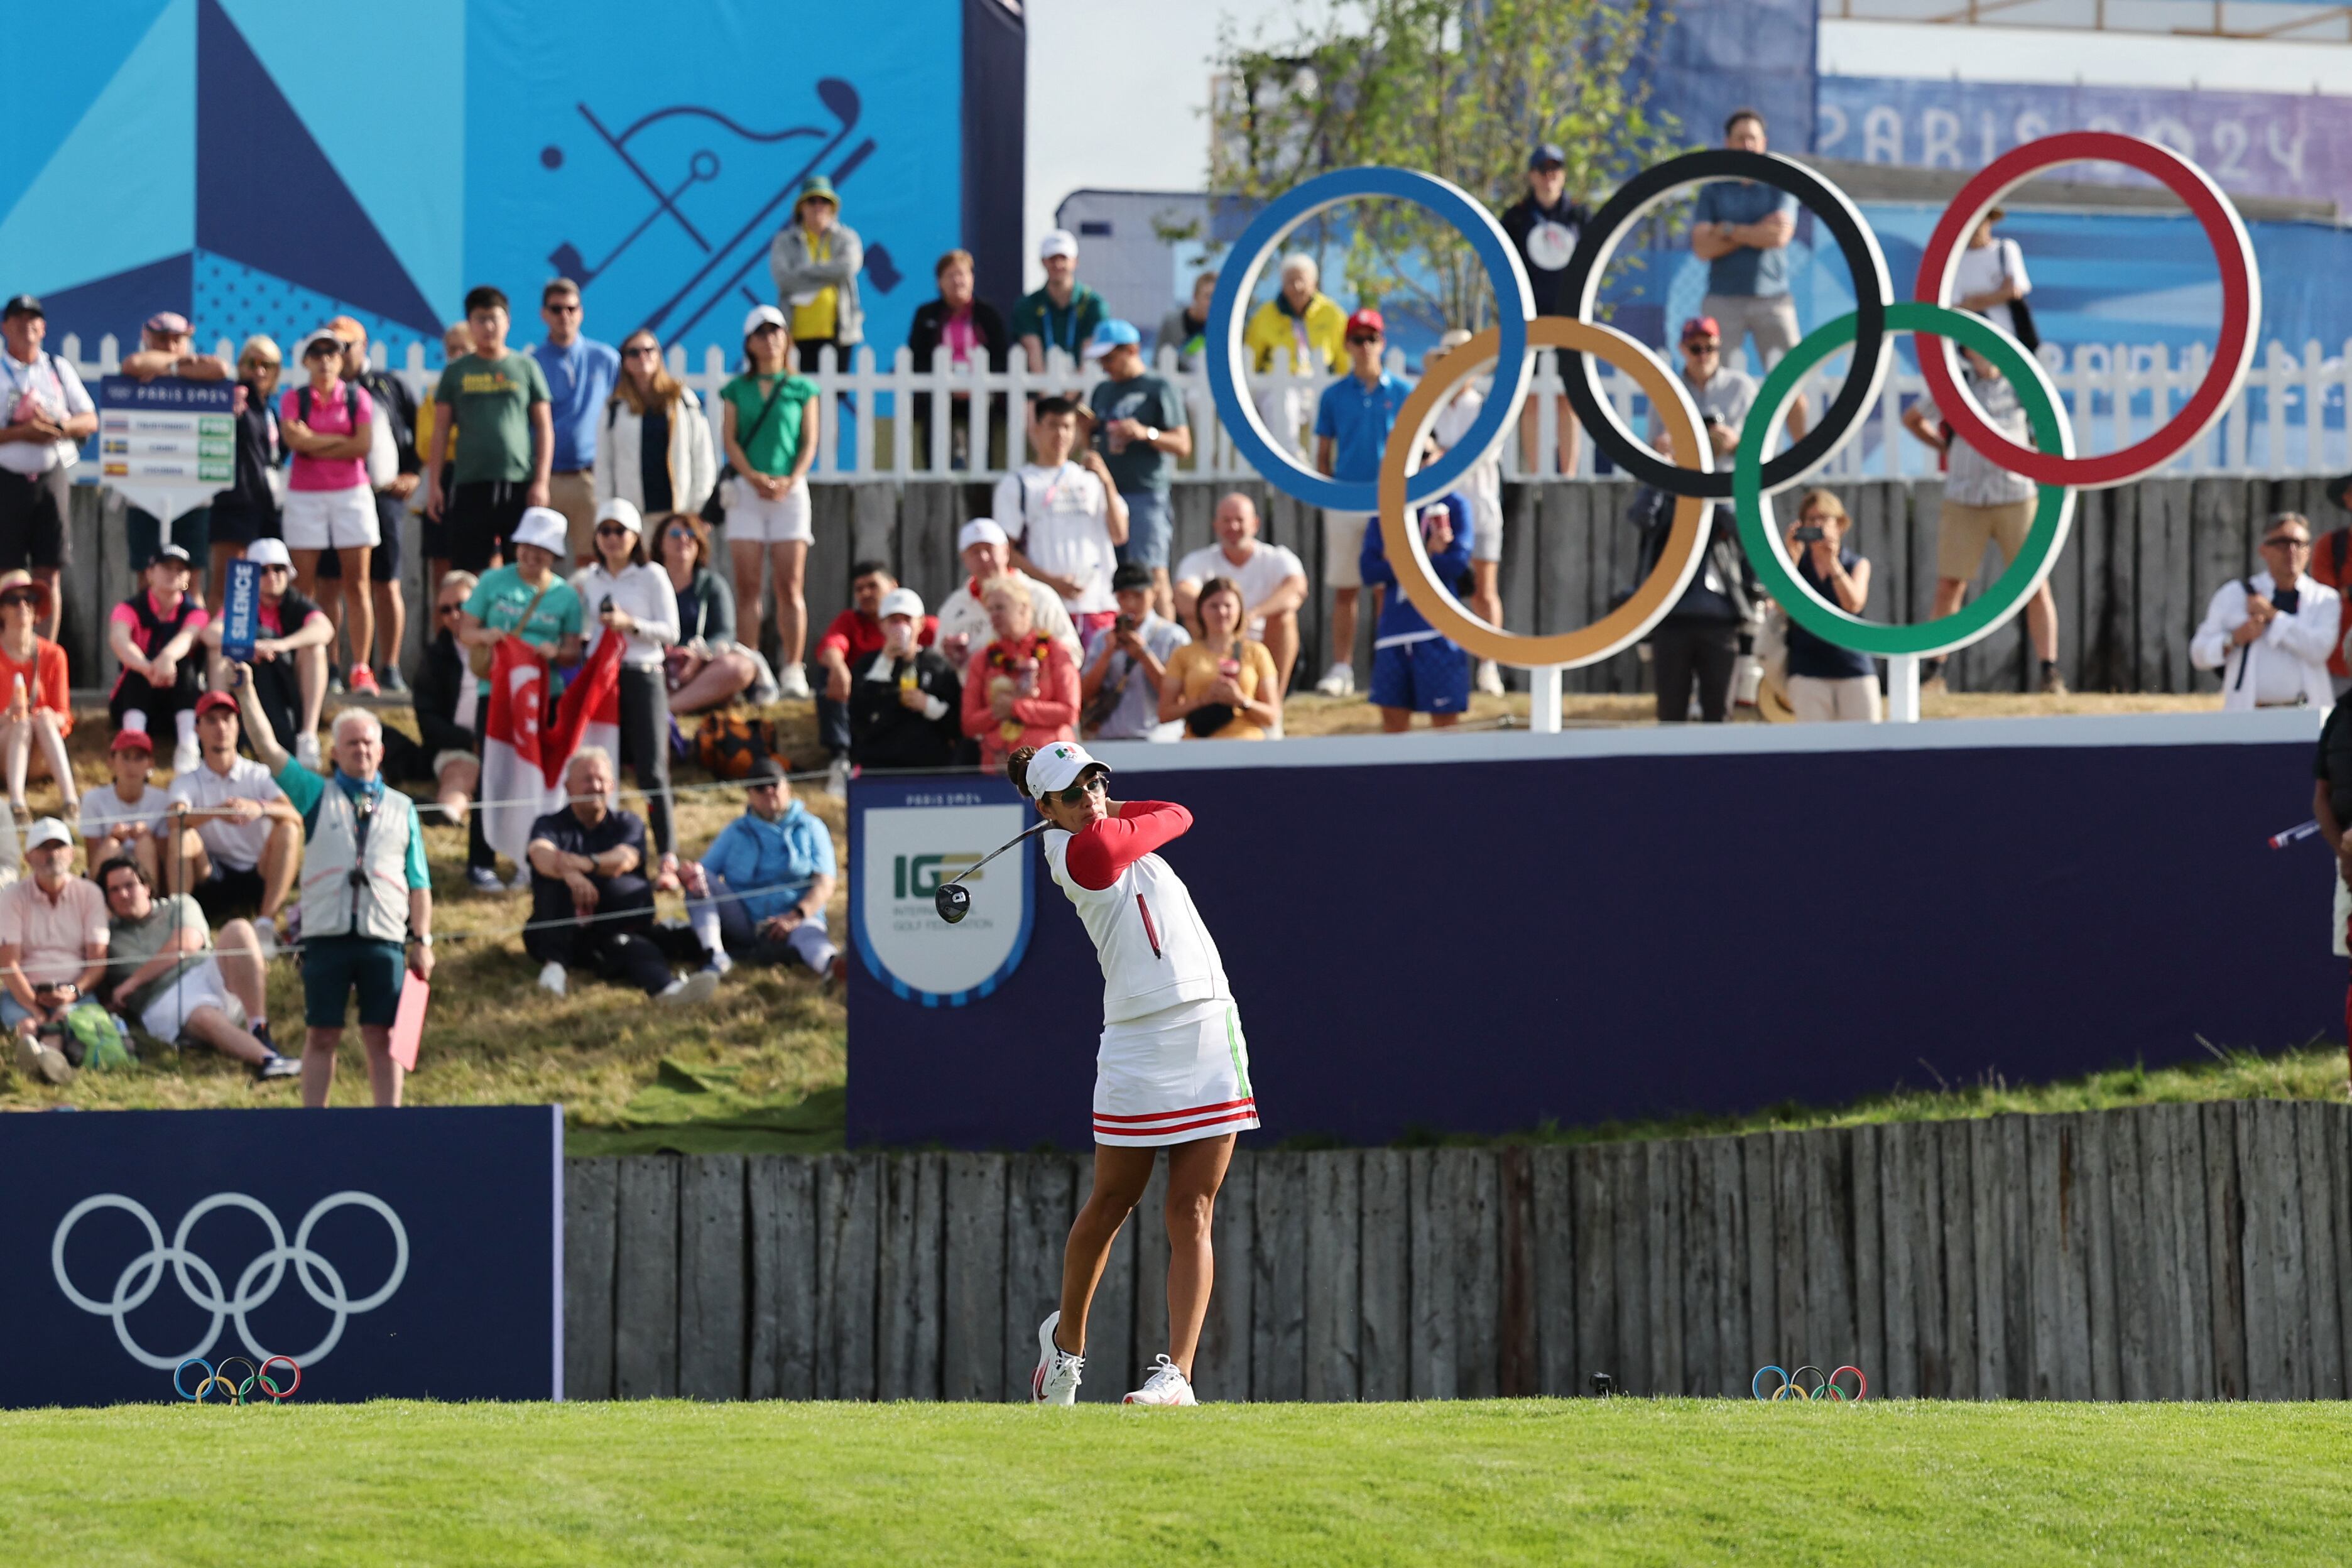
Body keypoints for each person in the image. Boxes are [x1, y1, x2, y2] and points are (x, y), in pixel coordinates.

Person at [1010, 740, 1255, 1407]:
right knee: (1112, 1202)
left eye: (1097, 783)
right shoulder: (1075, 852)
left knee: (1193, 1208)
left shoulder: (1106, 827)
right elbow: (1173, 816)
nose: (1091, 798)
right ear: (1045, 809)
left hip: (1208, 1025)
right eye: (1074, 792)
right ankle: (1066, 1353)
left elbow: (1178, 811)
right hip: (1138, 1039)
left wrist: (1106, 806)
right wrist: (1107, 816)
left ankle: (1176, 1376)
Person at [231, 684, 432, 1109]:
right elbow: (268, 749)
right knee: (322, 1033)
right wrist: (248, 692)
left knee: (386, 1034)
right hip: (327, 935)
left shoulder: (403, 808)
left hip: (385, 936)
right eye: (351, 743)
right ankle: (314, 1124)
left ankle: (388, 1122)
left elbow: (419, 881)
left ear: (381, 752)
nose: (361, 750)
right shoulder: (315, 794)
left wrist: (423, 940)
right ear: (335, 753)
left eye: (368, 742)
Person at [1901, 342, 2064, 694]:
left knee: (2035, 584)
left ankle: (2049, 672)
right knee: (1950, 585)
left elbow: (2048, 430)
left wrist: (2031, 457)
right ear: (1966, 351)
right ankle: (1935, 673)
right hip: (1965, 497)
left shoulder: (2023, 385)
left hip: (2016, 495)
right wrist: (1944, 447)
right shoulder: (1953, 383)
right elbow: (1912, 418)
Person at [525, 748, 716, 1004]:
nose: (595, 786)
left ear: (612, 785)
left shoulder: (628, 823)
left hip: (623, 929)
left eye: (601, 779)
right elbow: (539, 855)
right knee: (553, 886)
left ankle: (670, 991)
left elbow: (625, 859)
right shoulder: (549, 824)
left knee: (638, 946)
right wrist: (570, 876)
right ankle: (554, 967)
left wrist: (579, 865)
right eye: (586, 779)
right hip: (568, 936)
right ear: (568, 787)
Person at [457, 506, 585, 890]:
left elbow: (573, 651)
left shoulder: (566, 595)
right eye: (527, 547)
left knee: (538, 776)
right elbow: (466, 630)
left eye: (542, 550)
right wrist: (489, 637)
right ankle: (481, 861)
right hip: (495, 693)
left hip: (545, 695)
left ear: (554, 555)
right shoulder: (492, 582)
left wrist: (555, 653)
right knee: (493, 773)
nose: (532, 556)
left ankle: (534, 859)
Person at [98, 852, 295, 1079]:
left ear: (147, 887)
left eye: (130, 885)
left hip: (207, 972)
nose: (123, 894)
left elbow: (188, 942)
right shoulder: (107, 936)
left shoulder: (178, 905)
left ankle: (259, 1029)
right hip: (163, 999)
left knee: (239, 929)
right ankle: (268, 1060)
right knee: (203, 1015)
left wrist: (132, 982)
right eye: (114, 890)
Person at [573, 498, 681, 871]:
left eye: (620, 531)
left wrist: (630, 624)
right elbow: (586, 630)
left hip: (642, 674)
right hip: (604, 679)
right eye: (605, 530)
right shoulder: (591, 579)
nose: (613, 539)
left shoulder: (653, 575)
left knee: (652, 769)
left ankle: (667, 852)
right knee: (603, 768)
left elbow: (671, 632)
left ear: (636, 536)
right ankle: (606, 848)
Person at [721, 305, 822, 700]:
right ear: (749, 342)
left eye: (776, 331)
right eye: (761, 332)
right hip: (749, 492)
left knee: (789, 585)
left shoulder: (802, 388)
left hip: (790, 493)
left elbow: (808, 441)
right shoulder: (736, 389)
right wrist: (755, 478)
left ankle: (793, 668)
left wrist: (789, 480)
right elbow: (729, 439)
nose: (770, 338)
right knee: (748, 586)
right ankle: (752, 668)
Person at [318, 317, 422, 692]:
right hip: (334, 496)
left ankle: (389, 667)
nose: (338, 354)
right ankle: (330, 669)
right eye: (331, 346)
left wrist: (413, 473)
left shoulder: (389, 385)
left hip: (382, 498)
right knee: (330, 584)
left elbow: (421, 431)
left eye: (345, 346)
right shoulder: (318, 389)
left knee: (385, 583)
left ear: (364, 346)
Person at [1312, 308, 1412, 697]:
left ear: (1382, 343)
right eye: (1358, 339)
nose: (1366, 346)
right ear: (1348, 345)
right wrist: (1330, 491)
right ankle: (1342, 667)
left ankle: (1386, 663)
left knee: (1387, 585)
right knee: (1346, 587)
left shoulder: (1402, 392)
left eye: (1372, 339)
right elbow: (1324, 452)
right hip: (1346, 497)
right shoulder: (1334, 396)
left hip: (1388, 499)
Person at [1690, 109, 1807, 439]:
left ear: (1764, 143)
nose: (1747, 145)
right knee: (1713, 386)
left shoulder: (1779, 184)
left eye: (1752, 138)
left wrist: (1726, 230)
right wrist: (1755, 232)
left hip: (1773, 299)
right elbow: (1701, 246)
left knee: (1791, 383)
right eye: (1740, 138)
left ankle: (1803, 464)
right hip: (1723, 299)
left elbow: (1779, 236)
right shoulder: (1714, 190)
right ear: (1728, 143)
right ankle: (1718, 463)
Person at [425, 285, 555, 577]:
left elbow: (544, 427)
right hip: (470, 483)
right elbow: (441, 430)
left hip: (518, 483)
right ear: (470, 325)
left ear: (508, 321)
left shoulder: (526, 367)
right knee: (469, 572)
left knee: (522, 568)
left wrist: (541, 481)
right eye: (480, 319)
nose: (489, 327)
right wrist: (435, 485)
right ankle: (472, 625)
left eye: (495, 318)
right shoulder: (457, 372)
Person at [278, 326, 379, 692]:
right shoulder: (294, 398)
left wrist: (315, 442)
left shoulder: (358, 397)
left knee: (357, 583)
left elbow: (362, 446)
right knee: (306, 585)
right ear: (306, 361)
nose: (324, 361)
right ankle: (320, 661)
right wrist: (341, 440)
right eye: (317, 354)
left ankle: (362, 668)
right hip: (305, 496)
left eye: (332, 353)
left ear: (341, 359)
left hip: (352, 494)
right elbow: (293, 439)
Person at [682, 757, 841, 981]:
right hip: (745, 923)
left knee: (811, 938)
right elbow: (704, 872)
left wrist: (795, 916)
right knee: (698, 881)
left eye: (774, 785)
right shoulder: (735, 831)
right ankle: (715, 958)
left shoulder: (812, 827)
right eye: (760, 787)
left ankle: (834, 968)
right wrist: (685, 874)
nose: (768, 792)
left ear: (788, 788)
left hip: (799, 918)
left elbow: (825, 883)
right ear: (749, 794)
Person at [163, 691, 302, 942]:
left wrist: (259, 808)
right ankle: (180, 923)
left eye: (228, 719)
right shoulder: (187, 781)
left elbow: (294, 814)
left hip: (258, 871)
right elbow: (174, 818)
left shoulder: (258, 774)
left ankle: (265, 924)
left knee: (288, 828)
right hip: (212, 874)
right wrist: (217, 813)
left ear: (238, 726)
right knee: (181, 834)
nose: (221, 727)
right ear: (198, 728)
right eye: (212, 720)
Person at [0, 295, 95, 638]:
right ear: (5, 327)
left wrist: (56, 428)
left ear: (44, 328)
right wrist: (22, 432)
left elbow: (89, 419)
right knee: (6, 573)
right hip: (6, 481)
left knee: (49, 572)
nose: (28, 326)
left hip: (50, 479)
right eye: (19, 319)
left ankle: (43, 658)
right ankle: (8, 659)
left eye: (34, 319)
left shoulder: (56, 368)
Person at [996, 395, 1127, 640]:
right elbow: (1006, 553)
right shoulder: (1018, 484)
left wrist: (1107, 481)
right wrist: (1054, 583)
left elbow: (1120, 535)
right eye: (1053, 425)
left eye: (1067, 426)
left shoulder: (1092, 479)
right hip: (1047, 607)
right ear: (1037, 429)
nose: (1061, 434)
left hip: (1099, 604)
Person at [1424, 331, 1510, 696]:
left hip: (1481, 507)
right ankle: (1448, 662)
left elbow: (1480, 454)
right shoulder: (1430, 408)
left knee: (1484, 591)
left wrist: (1441, 452)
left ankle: (1488, 666)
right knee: (1442, 590)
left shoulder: (1486, 407)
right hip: (1440, 510)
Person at [1085, 320, 1190, 619]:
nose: (1104, 366)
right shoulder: (1103, 391)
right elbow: (1093, 441)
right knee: (1110, 572)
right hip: (1108, 494)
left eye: (1109, 358)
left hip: (1146, 493)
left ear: (1132, 350)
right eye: (1101, 360)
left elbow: (1183, 444)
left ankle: (1165, 647)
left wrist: (1147, 433)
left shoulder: (1158, 388)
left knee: (1152, 573)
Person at [1, 817, 116, 1086]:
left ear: (72, 854)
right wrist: (34, 1005)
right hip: (25, 990)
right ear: (29, 857)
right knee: (29, 1025)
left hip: (75, 990)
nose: (52, 854)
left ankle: (43, 1066)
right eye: (44, 847)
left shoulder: (90, 894)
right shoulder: (12, 896)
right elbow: (8, 964)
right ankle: (48, 1064)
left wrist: (73, 992)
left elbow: (98, 961)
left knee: (63, 1018)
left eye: (59, 846)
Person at [1499, 143, 1591, 476]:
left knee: (1571, 399)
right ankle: (1536, 474)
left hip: (1571, 318)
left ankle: (1567, 474)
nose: (1550, 177)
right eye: (1543, 170)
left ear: (1564, 175)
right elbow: (1503, 268)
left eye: (1556, 169)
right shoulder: (1517, 217)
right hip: (1530, 319)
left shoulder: (1580, 216)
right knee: (1532, 397)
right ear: (1532, 175)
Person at [202, 536, 332, 770]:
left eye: (279, 569)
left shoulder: (295, 601)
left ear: (289, 572)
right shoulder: (241, 602)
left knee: (315, 648)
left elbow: (325, 629)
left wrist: (282, 645)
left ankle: (308, 738)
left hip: (287, 687)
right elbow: (211, 633)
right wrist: (248, 647)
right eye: (263, 570)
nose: (272, 576)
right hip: (245, 683)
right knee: (219, 652)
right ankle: (218, 723)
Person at [2191, 513, 2339, 710]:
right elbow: (2198, 654)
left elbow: (2319, 649)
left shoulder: (2325, 598)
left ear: (2308, 551)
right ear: (2264, 550)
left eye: (2299, 543)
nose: (2291, 551)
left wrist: (2273, 616)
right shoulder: (2235, 595)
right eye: (2282, 543)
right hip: (2250, 715)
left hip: (2309, 713)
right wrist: (2234, 639)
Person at [120, 311, 229, 575]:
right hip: (143, 491)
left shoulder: (193, 366)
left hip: (193, 492)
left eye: (177, 340)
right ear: (147, 338)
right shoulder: (176, 362)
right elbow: (133, 364)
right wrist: (182, 363)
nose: (170, 346)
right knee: (148, 576)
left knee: (190, 577)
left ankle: (192, 619)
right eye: (162, 339)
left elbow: (220, 369)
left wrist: (166, 366)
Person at [1170, 492, 1306, 696]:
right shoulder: (1198, 561)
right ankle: (1201, 694)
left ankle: (1273, 702)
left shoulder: (1277, 558)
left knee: (1285, 617)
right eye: (1226, 521)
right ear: (1215, 525)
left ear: (1255, 524)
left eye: (1239, 520)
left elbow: (1296, 590)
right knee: (1192, 618)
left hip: (1262, 644)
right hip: (1216, 641)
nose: (1233, 527)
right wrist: (1227, 623)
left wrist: (1251, 616)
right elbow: (1182, 596)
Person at [1361, 493, 1473, 732]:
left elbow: (1456, 564)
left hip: (1438, 631)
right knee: (1393, 725)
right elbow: (1369, 570)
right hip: (1393, 631)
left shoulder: (1454, 504)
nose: (1419, 462)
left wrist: (1400, 560)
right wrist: (1428, 555)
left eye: (1426, 454)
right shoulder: (1387, 509)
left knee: (1445, 725)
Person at [528, 278, 621, 567]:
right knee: (542, 562)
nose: (564, 316)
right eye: (556, 309)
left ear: (581, 312)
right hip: (548, 477)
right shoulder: (533, 363)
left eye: (571, 308)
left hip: (590, 477)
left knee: (592, 562)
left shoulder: (606, 359)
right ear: (544, 314)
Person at [815, 562, 936, 771]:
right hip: (864, 695)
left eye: (872, 586)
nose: (865, 594)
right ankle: (840, 757)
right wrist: (839, 669)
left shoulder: (926, 626)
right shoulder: (851, 620)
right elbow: (831, 646)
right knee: (828, 675)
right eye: (859, 589)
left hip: (917, 696)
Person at [383, 569, 481, 825]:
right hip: (458, 747)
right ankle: (447, 812)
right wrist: (471, 743)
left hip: (508, 745)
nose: (454, 615)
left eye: (462, 605)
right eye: (445, 610)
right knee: (460, 769)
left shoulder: (505, 647)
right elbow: (428, 720)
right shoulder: (436, 657)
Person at [592, 329, 717, 528]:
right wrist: (608, 512)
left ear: (659, 355)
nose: (643, 356)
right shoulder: (615, 408)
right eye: (634, 352)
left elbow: (701, 455)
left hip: (678, 512)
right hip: (633, 516)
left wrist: (700, 506)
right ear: (624, 361)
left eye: (649, 350)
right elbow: (604, 465)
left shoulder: (682, 399)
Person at [1778, 489, 1881, 722]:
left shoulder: (1854, 563)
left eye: (1824, 519)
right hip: (1807, 670)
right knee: (1815, 749)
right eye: (1811, 520)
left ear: (1840, 524)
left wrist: (1831, 562)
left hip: (1852, 666)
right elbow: (1781, 609)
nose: (1817, 525)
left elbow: (1853, 603)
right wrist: (1791, 561)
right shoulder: (1798, 566)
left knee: (1865, 746)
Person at [906, 249, 1011, 471]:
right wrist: (948, 383)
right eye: (950, 275)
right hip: (940, 390)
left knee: (984, 415)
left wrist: (976, 384)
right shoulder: (926, 315)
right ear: (939, 282)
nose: (957, 281)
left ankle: (983, 479)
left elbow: (1002, 357)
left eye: (962, 274)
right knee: (935, 415)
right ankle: (934, 477)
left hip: (981, 391)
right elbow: (917, 358)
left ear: (972, 279)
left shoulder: (988, 314)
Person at [108, 545, 209, 774]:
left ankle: (188, 745)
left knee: (183, 664)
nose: (173, 574)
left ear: (187, 578)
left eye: (180, 570)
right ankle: (135, 746)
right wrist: (147, 668)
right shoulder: (128, 608)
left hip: (179, 698)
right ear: (150, 573)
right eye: (166, 567)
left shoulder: (196, 612)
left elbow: (188, 637)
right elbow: (120, 640)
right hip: (134, 699)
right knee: (135, 669)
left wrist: (167, 659)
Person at [962, 579, 1080, 773]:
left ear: (1025, 609)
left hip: (1053, 767)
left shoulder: (1056, 652)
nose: (994, 616)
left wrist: (1017, 708)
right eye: (990, 610)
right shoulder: (982, 659)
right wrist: (997, 712)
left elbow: (1070, 712)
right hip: (1000, 765)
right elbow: (969, 724)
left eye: (1000, 608)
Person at [935, 518, 1082, 672]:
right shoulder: (954, 608)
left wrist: (1036, 665)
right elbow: (939, 665)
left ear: (1006, 552)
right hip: (973, 692)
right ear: (964, 559)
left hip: (1038, 692)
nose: (983, 558)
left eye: (989, 549)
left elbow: (1072, 652)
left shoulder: (1039, 596)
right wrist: (951, 659)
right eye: (975, 552)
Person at [656, 514, 766, 714]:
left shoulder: (713, 585)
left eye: (691, 534)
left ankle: (667, 708)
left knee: (742, 667)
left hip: (701, 669)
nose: (683, 539)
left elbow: (725, 633)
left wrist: (699, 655)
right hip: (656, 664)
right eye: (674, 534)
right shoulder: (648, 582)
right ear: (660, 543)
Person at [206, 335, 285, 612]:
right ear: (242, 365)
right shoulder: (235, 400)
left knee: (259, 586)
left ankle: (247, 648)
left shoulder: (270, 410)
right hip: (234, 505)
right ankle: (216, 653)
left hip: (266, 509)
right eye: (252, 363)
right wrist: (227, 403)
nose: (259, 371)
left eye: (268, 364)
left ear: (277, 371)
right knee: (227, 584)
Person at [1242, 254, 1344, 463]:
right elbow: (1250, 359)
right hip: (1278, 386)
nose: (1297, 287)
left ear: (1314, 282)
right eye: (1290, 281)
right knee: (1282, 402)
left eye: (1302, 280)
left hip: (1316, 385)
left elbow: (1344, 357)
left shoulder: (1332, 314)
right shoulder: (1265, 316)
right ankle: (1292, 460)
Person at [848, 587, 962, 768]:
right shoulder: (867, 665)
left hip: (929, 769)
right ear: (881, 625)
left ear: (921, 624)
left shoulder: (938, 666)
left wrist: (928, 705)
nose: (900, 627)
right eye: (893, 621)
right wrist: (885, 662)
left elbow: (957, 724)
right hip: (877, 768)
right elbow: (857, 715)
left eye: (907, 620)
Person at [1160, 576, 1282, 741]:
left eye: (1228, 606)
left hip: (1248, 745)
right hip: (1199, 746)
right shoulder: (1183, 654)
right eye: (1214, 606)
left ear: (1240, 611)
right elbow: (1165, 713)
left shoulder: (1257, 652)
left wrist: (1240, 700)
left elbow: (1272, 716)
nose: (1222, 612)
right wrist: (1203, 700)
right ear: (1201, 610)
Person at [1081, 563, 1188, 742]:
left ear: (1154, 593)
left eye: (1139, 595)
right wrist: (1107, 654)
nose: (1131, 603)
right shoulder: (1103, 639)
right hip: (1108, 738)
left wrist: (1144, 654)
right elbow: (1085, 695)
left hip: (1159, 740)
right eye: (1123, 596)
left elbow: (1178, 698)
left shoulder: (1174, 637)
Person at [769, 176, 865, 374]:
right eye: (812, 201)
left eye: (825, 201)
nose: (818, 206)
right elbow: (784, 279)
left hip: (839, 333)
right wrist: (829, 275)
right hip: (797, 334)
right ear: (801, 207)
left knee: (834, 396)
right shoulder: (785, 241)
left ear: (832, 207)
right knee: (799, 396)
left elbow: (848, 267)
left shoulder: (847, 237)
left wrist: (805, 272)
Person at [0, 569, 73, 815]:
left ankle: (71, 801)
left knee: (42, 717)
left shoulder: (54, 655)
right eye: (13, 600)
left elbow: (65, 714)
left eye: (29, 599)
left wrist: (53, 718)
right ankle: (18, 804)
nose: (23, 606)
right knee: (20, 724)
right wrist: (7, 716)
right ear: (2, 610)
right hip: (3, 746)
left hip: (40, 750)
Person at [1648, 315, 1756, 467]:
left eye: (1710, 348)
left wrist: (1736, 444)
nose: (1703, 356)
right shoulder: (1667, 391)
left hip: (1732, 483)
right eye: (1696, 349)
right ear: (1682, 348)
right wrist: (1663, 445)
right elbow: (1652, 446)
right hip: (1683, 481)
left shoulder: (1742, 387)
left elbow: (1762, 445)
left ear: (1719, 346)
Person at [1013, 229, 1107, 374]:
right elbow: (1033, 349)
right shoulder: (1027, 305)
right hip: (1040, 390)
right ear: (1043, 262)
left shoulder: (1093, 304)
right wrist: (1046, 393)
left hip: (1083, 390)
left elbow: (1089, 352)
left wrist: (1073, 395)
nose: (1058, 264)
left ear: (1075, 261)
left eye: (1063, 258)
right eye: (1052, 259)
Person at [82, 731, 169, 883]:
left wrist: (149, 836)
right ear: (111, 761)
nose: (131, 766)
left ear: (150, 763)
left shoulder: (163, 800)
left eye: (139, 758)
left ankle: (150, 901)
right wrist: (112, 837)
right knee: (111, 845)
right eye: (126, 757)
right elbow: (92, 859)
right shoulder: (92, 799)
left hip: (151, 871)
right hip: (109, 870)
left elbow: (166, 856)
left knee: (145, 844)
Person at [1950, 208, 2033, 349]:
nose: (1976, 228)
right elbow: (1956, 308)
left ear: (1989, 222)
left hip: (2012, 341)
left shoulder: (2005, 249)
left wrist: (1973, 301)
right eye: (1970, 223)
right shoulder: (1957, 261)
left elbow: (2015, 291)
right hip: (1977, 347)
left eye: (1980, 222)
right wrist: (1999, 295)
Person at [1155, 270, 1218, 375]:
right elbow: (1157, 361)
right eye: (1208, 297)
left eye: (1217, 298)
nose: (1213, 303)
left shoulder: (1222, 330)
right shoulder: (1171, 322)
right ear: (1195, 296)